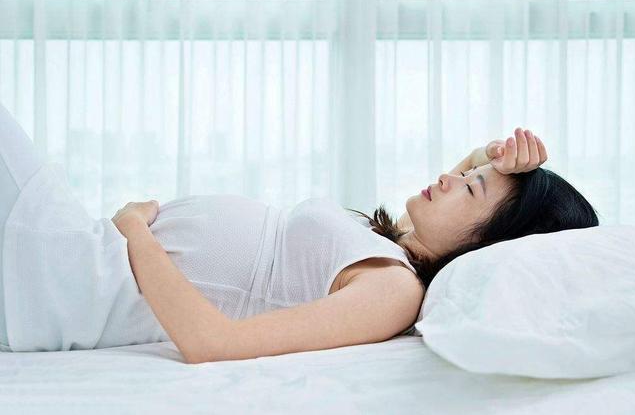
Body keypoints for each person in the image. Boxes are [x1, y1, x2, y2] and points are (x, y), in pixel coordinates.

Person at [0, 102, 598, 363]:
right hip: (70, 257)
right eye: (467, 171)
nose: (450, 176)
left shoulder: (394, 289)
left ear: (486, 245)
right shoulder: (393, 245)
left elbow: (213, 344)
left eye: (470, 187)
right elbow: (473, 187)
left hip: (68, 281)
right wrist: (497, 158)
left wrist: (135, 230)